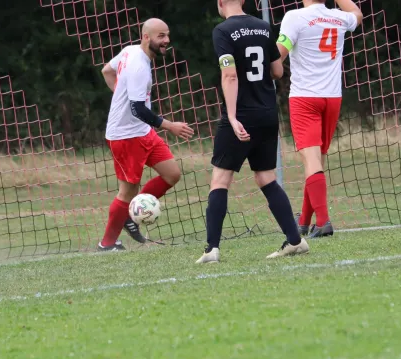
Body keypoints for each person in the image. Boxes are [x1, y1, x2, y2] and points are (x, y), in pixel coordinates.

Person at [196, 0, 310, 263]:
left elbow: (230, 75)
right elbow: (278, 70)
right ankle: (295, 240)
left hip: (242, 115)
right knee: (266, 177)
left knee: (220, 180)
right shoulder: (262, 26)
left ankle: (211, 249)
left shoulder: (222, 31)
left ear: (220, 2)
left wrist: (233, 117)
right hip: (267, 113)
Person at [98, 18, 194, 252]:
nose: (167, 41)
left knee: (172, 174)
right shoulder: (139, 64)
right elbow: (138, 109)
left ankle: (133, 213)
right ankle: (107, 244)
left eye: (167, 35)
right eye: (161, 36)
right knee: (127, 190)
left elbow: (107, 70)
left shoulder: (130, 51)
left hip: (142, 131)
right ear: (146, 37)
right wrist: (170, 125)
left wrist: (120, 93)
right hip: (124, 136)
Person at [276, 0, 363, 238]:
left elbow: (279, 54)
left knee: (311, 161)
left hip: (305, 98)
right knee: (316, 161)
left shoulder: (294, 17)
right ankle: (303, 221)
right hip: (332, 98)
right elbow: (357, 13)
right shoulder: (340, 18)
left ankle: (323, 222)